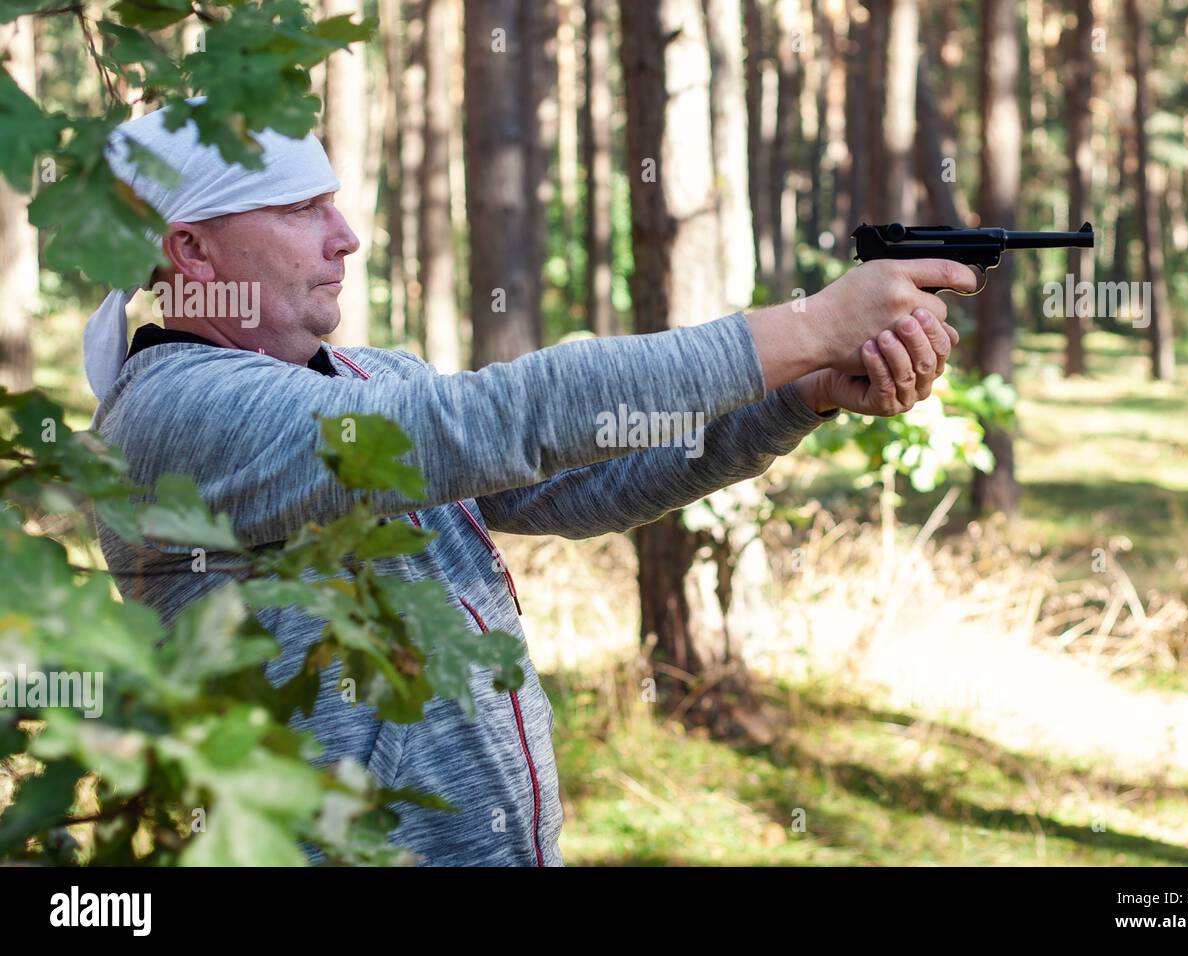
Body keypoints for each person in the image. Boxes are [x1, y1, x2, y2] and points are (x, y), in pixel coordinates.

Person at [86, 100, 978, 866]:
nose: (345, 236)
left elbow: (574, 482)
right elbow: (494, 420)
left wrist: (798, 394)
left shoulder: (362, 376)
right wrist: (809, 324)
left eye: (335, 202)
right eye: (300, 209)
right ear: (192, 252)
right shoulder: (174, 418)